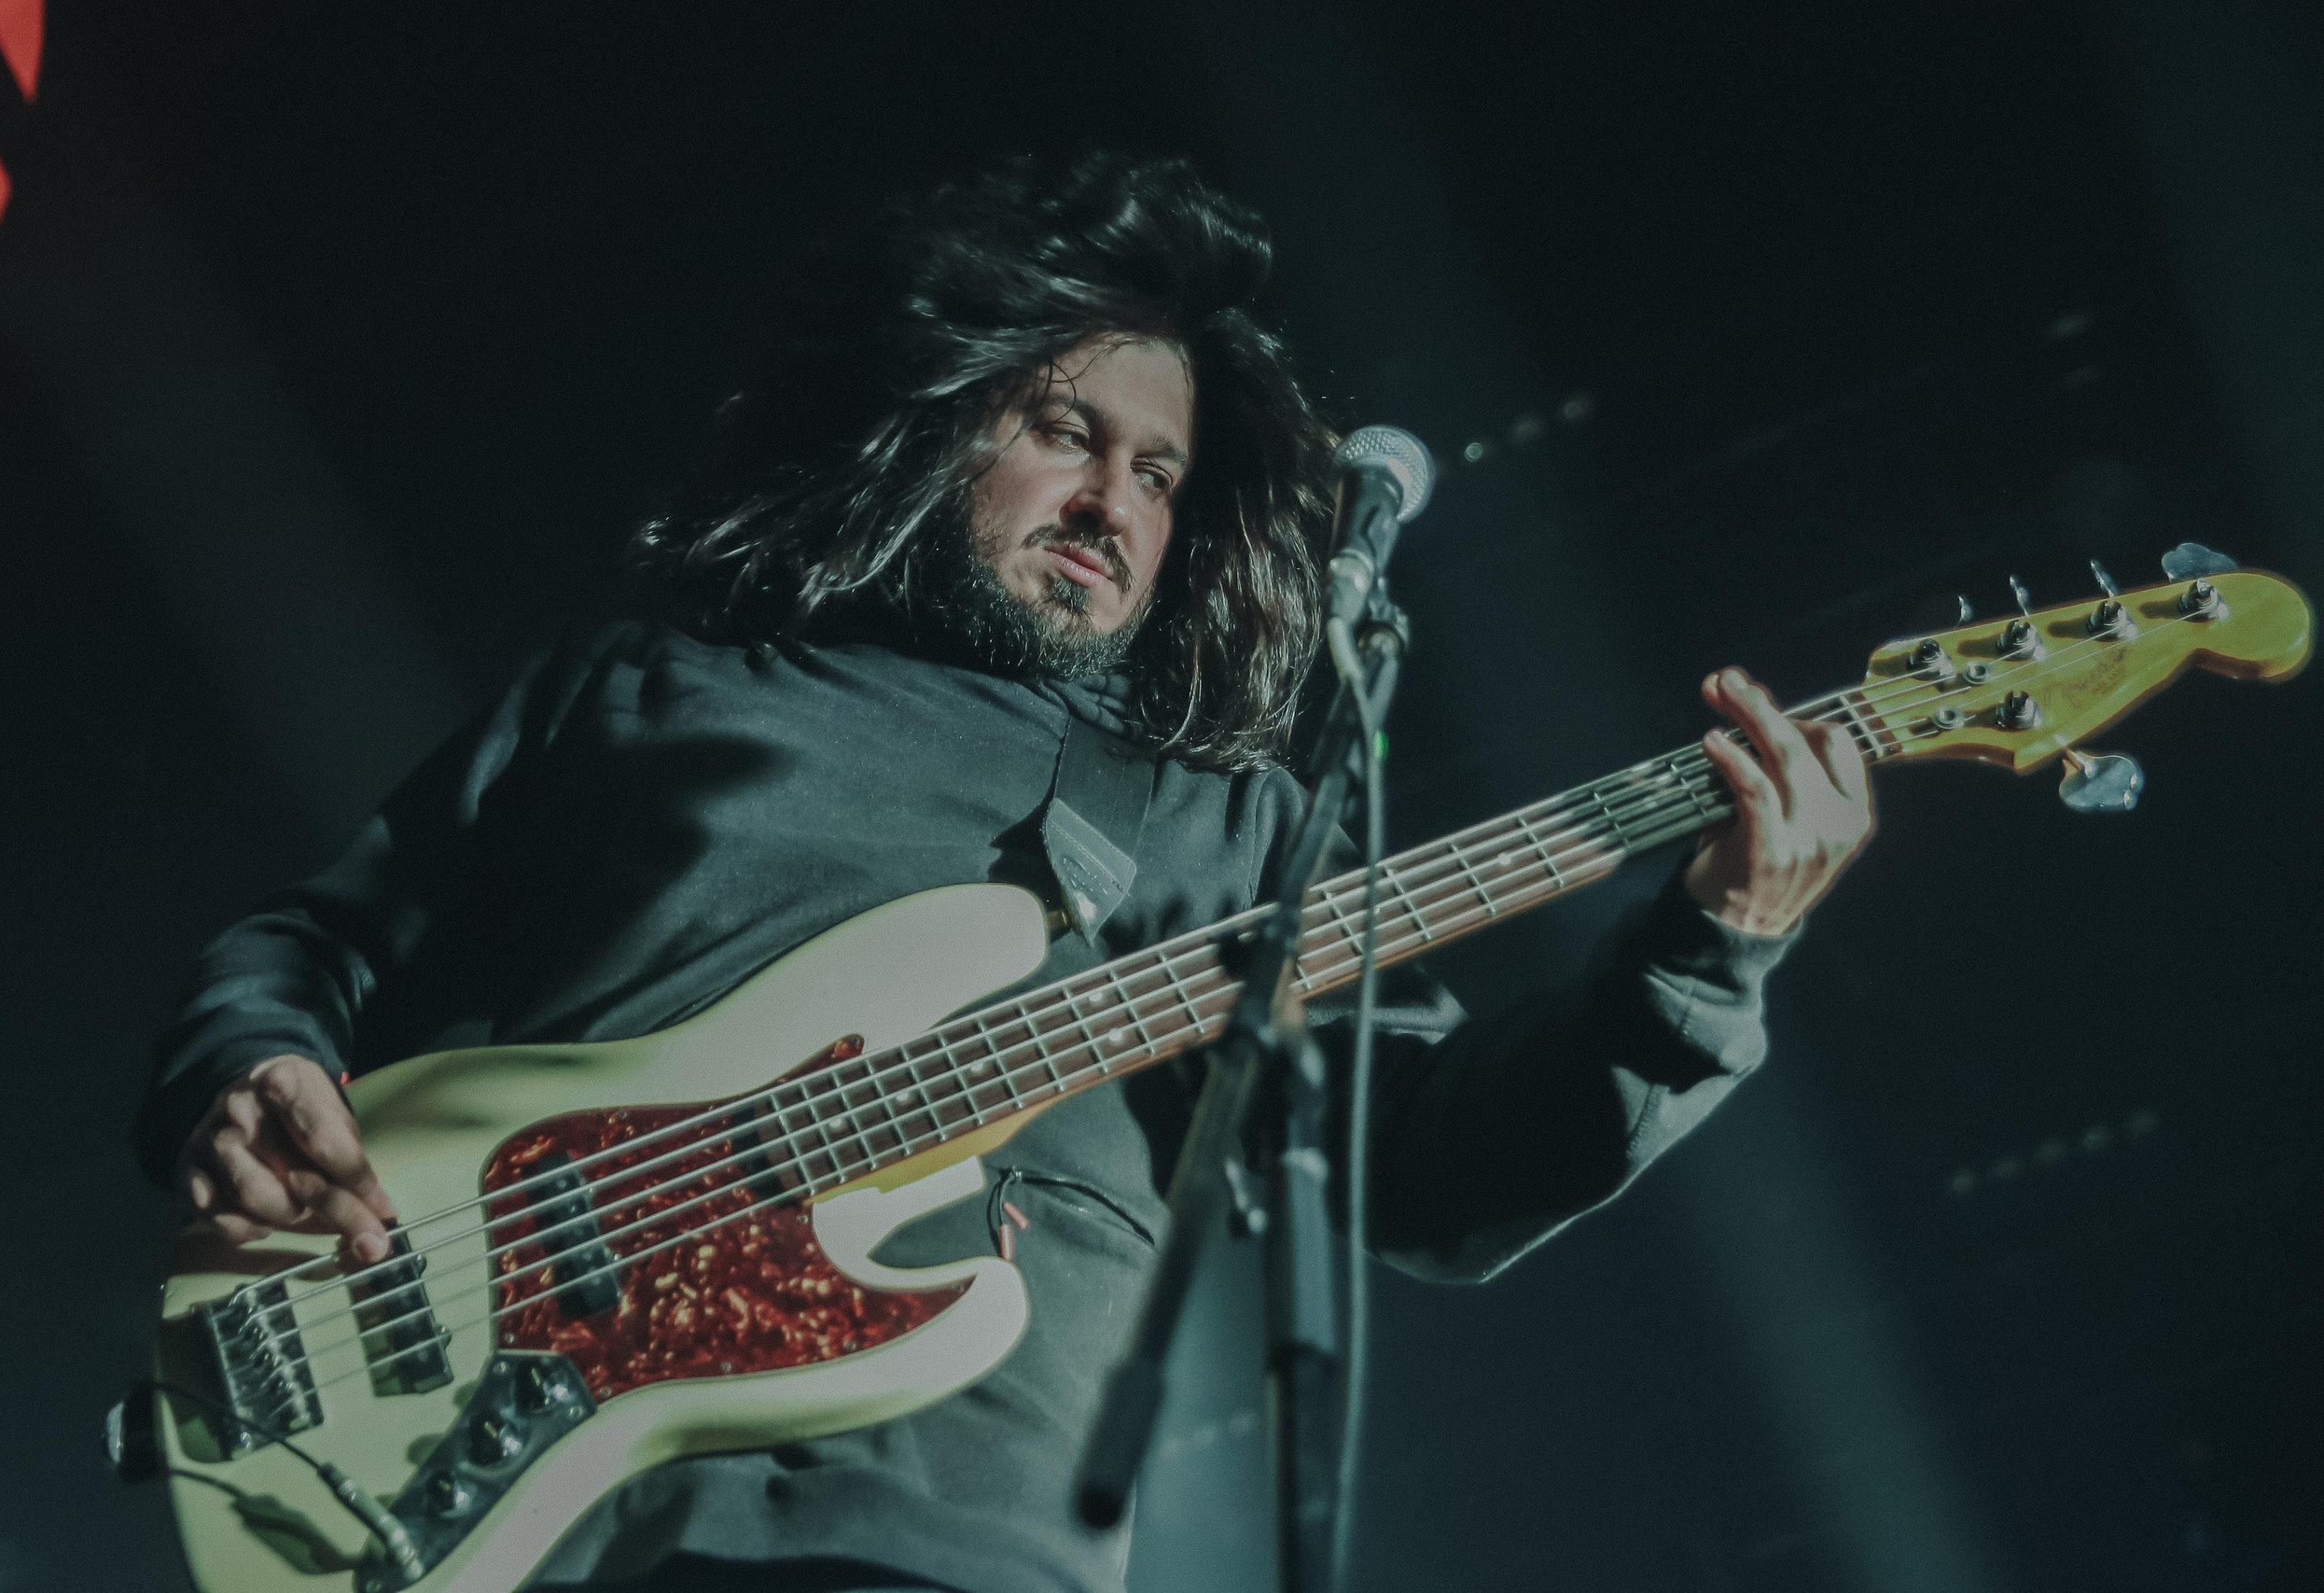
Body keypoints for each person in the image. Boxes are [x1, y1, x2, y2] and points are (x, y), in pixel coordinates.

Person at [135, 153, 1873, 1593]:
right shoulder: (656, 688)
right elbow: (317, 939)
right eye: (1067, 430)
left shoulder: (1222, 821)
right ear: (936, 416)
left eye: (1162, 473)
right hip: (495, 1483)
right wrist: (250, 1070)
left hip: (946, 1543)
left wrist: (1712, 948)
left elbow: (1417, 1174)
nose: (1115, 501)